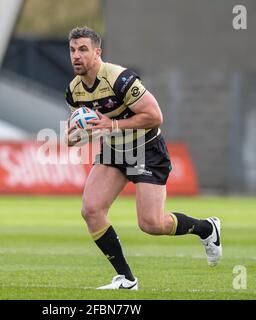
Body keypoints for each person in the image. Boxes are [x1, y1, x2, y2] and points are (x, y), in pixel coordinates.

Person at [65, 26, 222, 290]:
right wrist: (74, 137)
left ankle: (206, 229)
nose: (76, 56)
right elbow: (78, 130)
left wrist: (112, 126)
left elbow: (155, 116)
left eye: (83, 49)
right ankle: (126, 279)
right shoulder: (74, 90)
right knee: (91, 210)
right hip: (114, 151)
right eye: (72, 50)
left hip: (146, 149)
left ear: (97, 52)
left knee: (151, 224)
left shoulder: (119, 78)